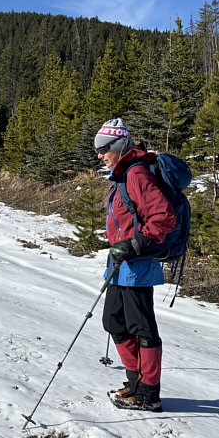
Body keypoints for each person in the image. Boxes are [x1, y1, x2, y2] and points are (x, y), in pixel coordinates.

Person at [94, 118, 175, 412]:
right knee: (113, 322)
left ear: (118, 146)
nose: (100, 155)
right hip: (120, 264)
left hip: (138, 265)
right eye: (97, 150)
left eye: (103, 149)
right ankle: (135, 382)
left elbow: (163, 217)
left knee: (143, 328)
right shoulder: (123, 175)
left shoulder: (137, 174)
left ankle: (148, 393)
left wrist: (134, 244)